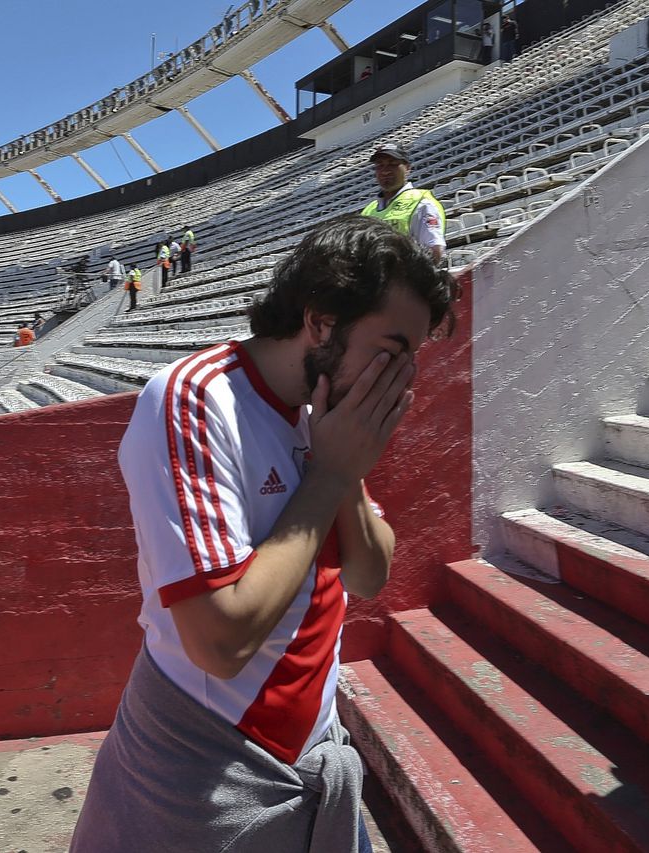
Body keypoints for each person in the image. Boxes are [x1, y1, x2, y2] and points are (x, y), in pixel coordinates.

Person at [69, 216, 459, 853]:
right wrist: (330, 472)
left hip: (315, 749)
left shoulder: (325, 411)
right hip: (205, 770)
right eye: (391, 352)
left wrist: (347, 469)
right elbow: (221, 640)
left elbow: (369, 574)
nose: (402, 380)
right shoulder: (195, 400)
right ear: (321, 320)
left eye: (411, 359)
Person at [362, 144, 446, 265]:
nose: (385, 171)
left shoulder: (421, 202)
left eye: (393, 164)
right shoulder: (368, 211)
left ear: (407, 168)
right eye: (380, 165)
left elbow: (434, 253)